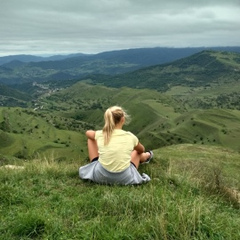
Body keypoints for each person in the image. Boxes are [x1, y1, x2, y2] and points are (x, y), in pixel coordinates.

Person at [79, 106, 153, 185]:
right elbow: (141, 149)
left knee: (91, 139)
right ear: (123, 119)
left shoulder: (101, 134)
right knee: (136, 152)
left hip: (101, 176)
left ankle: (94, 164)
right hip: (125, 178)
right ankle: (148, 155)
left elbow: (88, 133)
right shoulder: (130, 137)